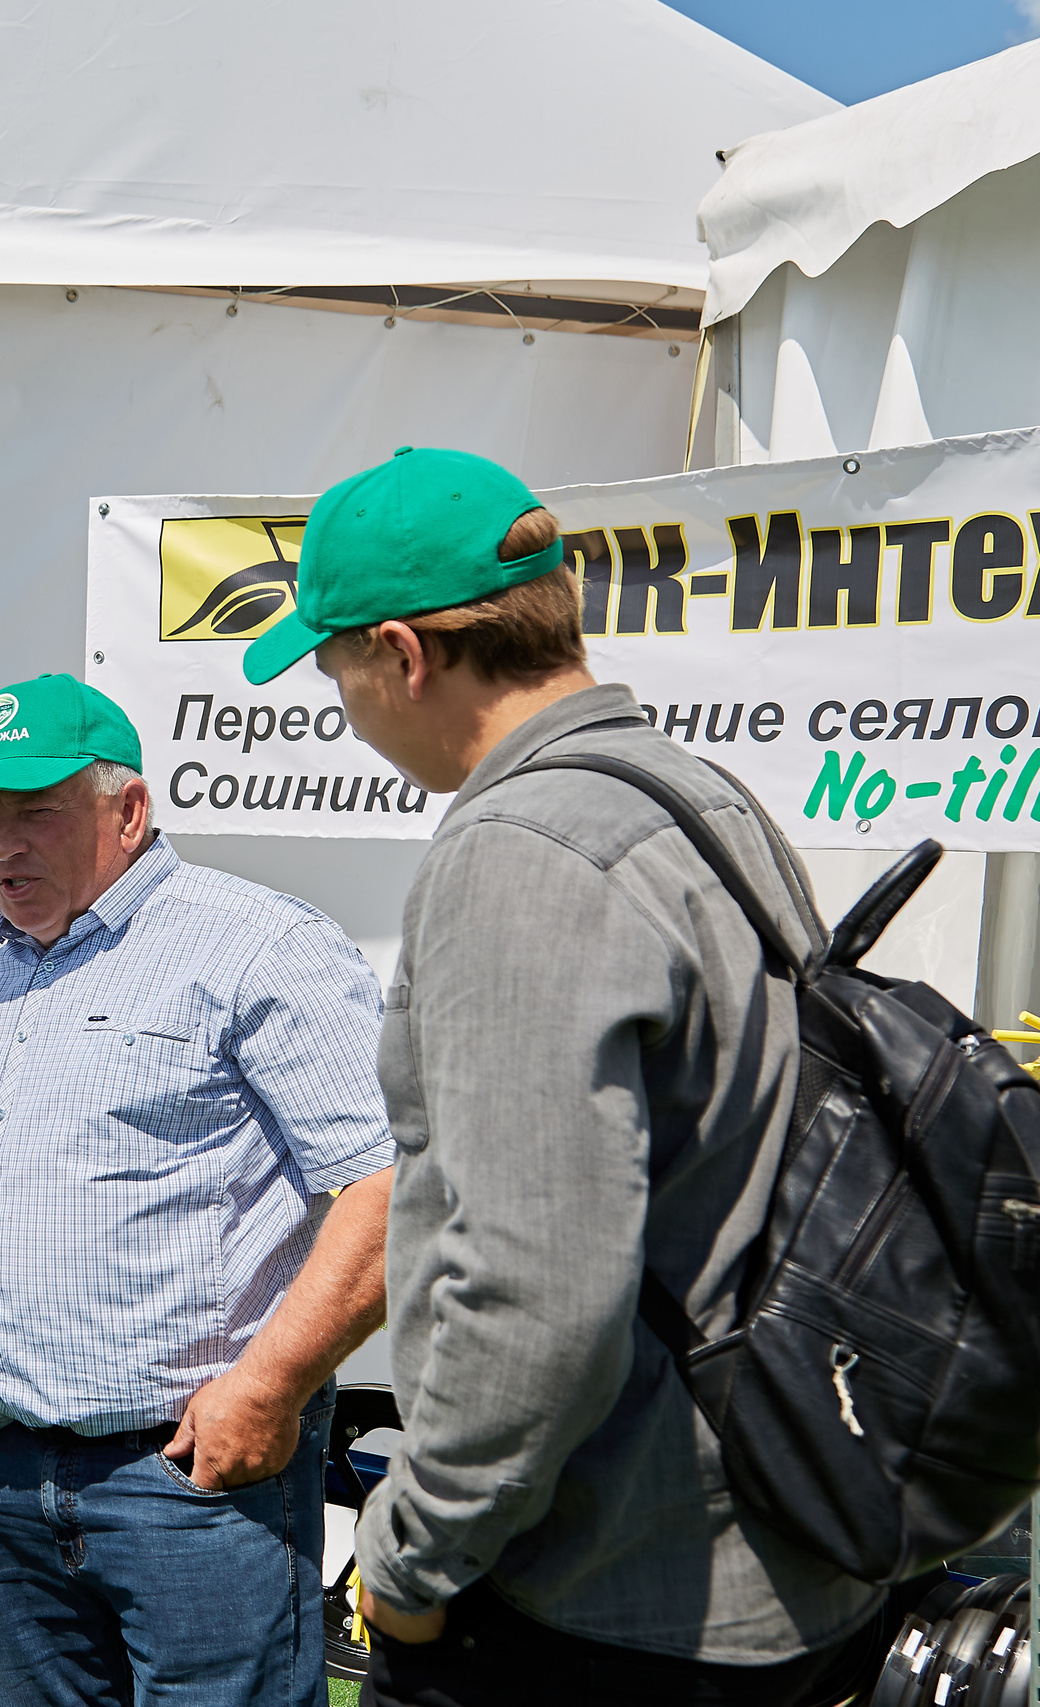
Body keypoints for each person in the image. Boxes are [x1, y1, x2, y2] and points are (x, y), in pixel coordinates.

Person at [248, 446, 890, 1703]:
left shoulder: (519, 851)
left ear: (403, 655)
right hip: (777, 1528)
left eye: (332, 670)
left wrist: (412, 1556)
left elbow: (533, 1284)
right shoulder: (698, 797)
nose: (341, 708)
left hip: (607, 1591)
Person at [0, 671, 395, 1707]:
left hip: (187, 1477)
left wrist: (267, 1389)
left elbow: (391, 1191)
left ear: (127, 810)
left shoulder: (259, 944)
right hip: (3, 1474)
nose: (3, 846)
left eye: (36, 813)